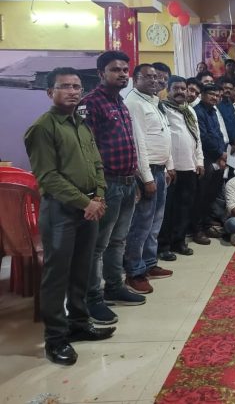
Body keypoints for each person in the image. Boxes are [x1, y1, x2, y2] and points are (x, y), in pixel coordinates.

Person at [25, 67, 114, 365]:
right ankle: (55, 339)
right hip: (61, 211)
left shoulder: (81, 124)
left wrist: (98, 195)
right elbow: (47, 177)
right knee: (57, 275)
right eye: (65, 86)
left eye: (76, 86)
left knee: (81, 270)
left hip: (89, 208)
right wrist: (84, 202)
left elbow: (97, 164)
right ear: (50, 92)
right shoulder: (43, 128)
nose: (73, 91)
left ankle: (79, 323)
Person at [79, 52, 144, 325]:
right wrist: (98, 190)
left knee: (118, 240)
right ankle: (93, 299)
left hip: (127, 182)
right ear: (100, 73)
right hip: (107, 184)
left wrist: (136, 179)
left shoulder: (120, 103)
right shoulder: (90, 103)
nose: (122, 74)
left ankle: (114, 287)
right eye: (115, 69)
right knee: (97, 245)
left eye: (125, 69)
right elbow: (86, 149)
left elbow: (129, 145)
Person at [123, 64, 175, 294]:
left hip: (160, 170)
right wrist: (146, 178)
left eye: (157, 77)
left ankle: (149, 263)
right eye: (149, 77)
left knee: (155, 222)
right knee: (141, 224)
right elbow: (138, 143)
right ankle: (134, 271)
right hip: (147, 172)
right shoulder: (134, 103)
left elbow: (164, 135)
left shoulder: (153, 101)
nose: (155, 80)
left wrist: (169, 166)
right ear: (136, 79)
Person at [159, 76, 204, 260]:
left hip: (190, 167)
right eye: (176, 88)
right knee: (168, 209)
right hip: (172, 169)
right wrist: (168, 166)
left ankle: (179, 241)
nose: (180, 92)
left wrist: (200, 161)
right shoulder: (162, 108)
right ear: (168, 90)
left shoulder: (189, 110)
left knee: (185, 208)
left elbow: (197, 137)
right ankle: (164, 245)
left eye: (183, 88)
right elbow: (163, 139)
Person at [193, 83, 228, 246]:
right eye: (211, 94)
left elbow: (218, 134)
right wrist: (219, 154)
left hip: (217, 158)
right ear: (202, 95)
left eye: (217, 95)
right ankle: (197, 230)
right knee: (201, 196)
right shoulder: (198, 111)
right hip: (205, 158)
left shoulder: (213, 111)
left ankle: (207, 225)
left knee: (211, 196)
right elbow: (204, 137)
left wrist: (222, 154)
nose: (215, 97)